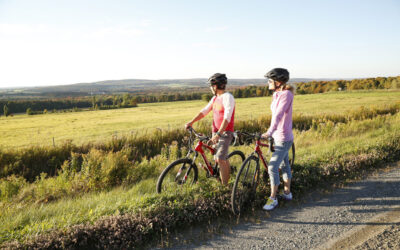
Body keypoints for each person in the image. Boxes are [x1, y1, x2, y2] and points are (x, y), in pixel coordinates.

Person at [185, 73, 236, 185]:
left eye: (212, 85)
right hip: (216, 131)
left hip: (225, 132)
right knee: (219, 157)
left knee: (220, 159)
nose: (211, 88)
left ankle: (225, 187)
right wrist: (191, 122)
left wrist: (219, 134)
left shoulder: (228, 97)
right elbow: (204, 111)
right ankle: (225, 175)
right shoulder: (215, 98)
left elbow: (227, 118)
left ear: (216, 86)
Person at [261, 68, 294, 211]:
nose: (268, 83)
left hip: (284, 137)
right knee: (284, 165)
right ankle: (287, 193)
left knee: (272, 167)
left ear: (278, 82)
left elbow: (278, 115)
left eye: (270, 80)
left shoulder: (286, 94)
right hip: (277, 136)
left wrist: (269, 132)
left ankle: (273, 198)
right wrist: (271, 133)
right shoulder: (277, 94)